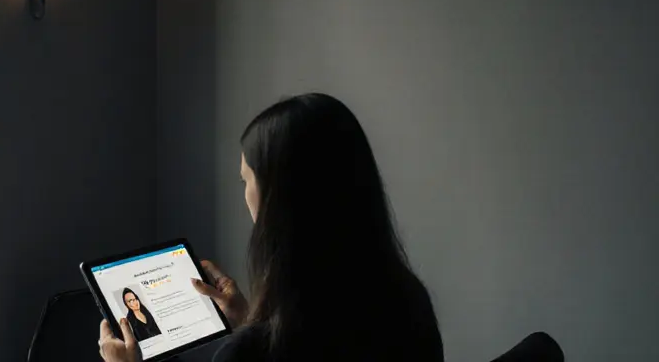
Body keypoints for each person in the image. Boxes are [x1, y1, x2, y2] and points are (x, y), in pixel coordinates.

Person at [95, 93, 444, 362]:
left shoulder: (253, 352)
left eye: (247, 179)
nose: (245, 194)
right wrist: (248, 320)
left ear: (278, 198)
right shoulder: (409, 302)